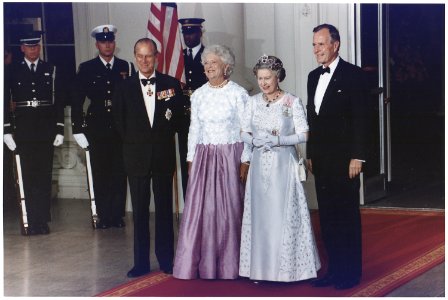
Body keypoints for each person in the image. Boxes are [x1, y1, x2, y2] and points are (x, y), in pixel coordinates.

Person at [238, 55, 321, 282]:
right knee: (261, 217)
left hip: (283, 165)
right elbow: (243, 131)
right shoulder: (252, 102)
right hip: (259, 169)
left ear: (278, 77)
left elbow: (304, 134)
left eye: (268, 78)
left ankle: (287, 271)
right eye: (260, 78)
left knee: (280, 215)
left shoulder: (291, 102)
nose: (264, 83)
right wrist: (253, 141)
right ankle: (260, 270)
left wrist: (279, 141)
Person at [173, 44, 250, 280]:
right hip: (204, 158)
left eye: (213, 63)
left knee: (230, 211)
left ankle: (231, 265)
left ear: (226, 67)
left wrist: (245, 160)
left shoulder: (239, 93)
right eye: (205, 63)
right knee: (203, 212)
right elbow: (193, 130)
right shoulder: (198, 95)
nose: (207, 67)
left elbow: (247, 130)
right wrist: (190, 158)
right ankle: (204, 265)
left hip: (230, 157)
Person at [112, 38, 185, 278]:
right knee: (140, 213)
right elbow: (119, 124)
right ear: (135, 56)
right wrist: (137, 144)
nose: (145, 60)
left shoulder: (171, 84)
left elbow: (178, 122)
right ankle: (141, 263)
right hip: (136, 158)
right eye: (140, 56)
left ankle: (167, 260)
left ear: (157, 56)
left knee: (164, 211)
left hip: (163, 157)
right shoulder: (123, 87)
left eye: (149, 55)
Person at [306, 24, 368, 290]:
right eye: (314, 45)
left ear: (336, 45)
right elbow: (313, 119)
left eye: (321, 44)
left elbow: (362, 120)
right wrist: (309, 154)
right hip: (320, 159)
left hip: (346, 161)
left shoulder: (354, 75)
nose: (317, 49)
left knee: (346, 217)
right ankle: (333, 270)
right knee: (328, 217)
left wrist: (358, 156)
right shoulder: (312, 76)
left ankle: (350, 273)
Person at [71, 24, 135, 229]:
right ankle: (102, 215)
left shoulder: (125, 66)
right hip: (96, 126)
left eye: (110, 41)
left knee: (119, 172)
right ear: (97, 44)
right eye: (103, 42)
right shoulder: (87, 67)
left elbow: (133, 100)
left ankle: (117, 215)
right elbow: (76, 99)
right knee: (100, 172)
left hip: (120, 127)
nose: (107, 45)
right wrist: (77, 128)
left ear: (114, 44)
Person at [3, 31, 65, 235]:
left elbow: (58, 101)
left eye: (36, 46)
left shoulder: (51, 69)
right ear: (22, 48)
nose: (33, 50)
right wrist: (6, 130)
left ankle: (42, 220)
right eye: (29, 46)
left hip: (45, 130)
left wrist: (59, 128)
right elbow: (4, 101)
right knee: (27, 177)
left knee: (44, 176)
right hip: (23, 130)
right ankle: (29, 220)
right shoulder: (10, 71)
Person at [177, 18, 208, 199]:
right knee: (185, 161)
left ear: (200, 33)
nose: (188, 36)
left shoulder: (208, 57)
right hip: (183, 120)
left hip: (204, 119)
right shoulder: (177, 57)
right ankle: (190, 206)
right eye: (185, 33)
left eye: (192, 32)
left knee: (205, 163)